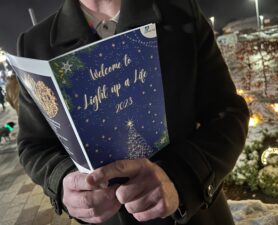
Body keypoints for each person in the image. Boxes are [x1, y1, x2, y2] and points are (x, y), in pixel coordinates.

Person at [17, 0, 250, 225]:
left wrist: (182, 177)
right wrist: (62, 180)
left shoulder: (180, 12)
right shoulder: (35, 45)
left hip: (194, 216)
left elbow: (229, 113)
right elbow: (34, 145)